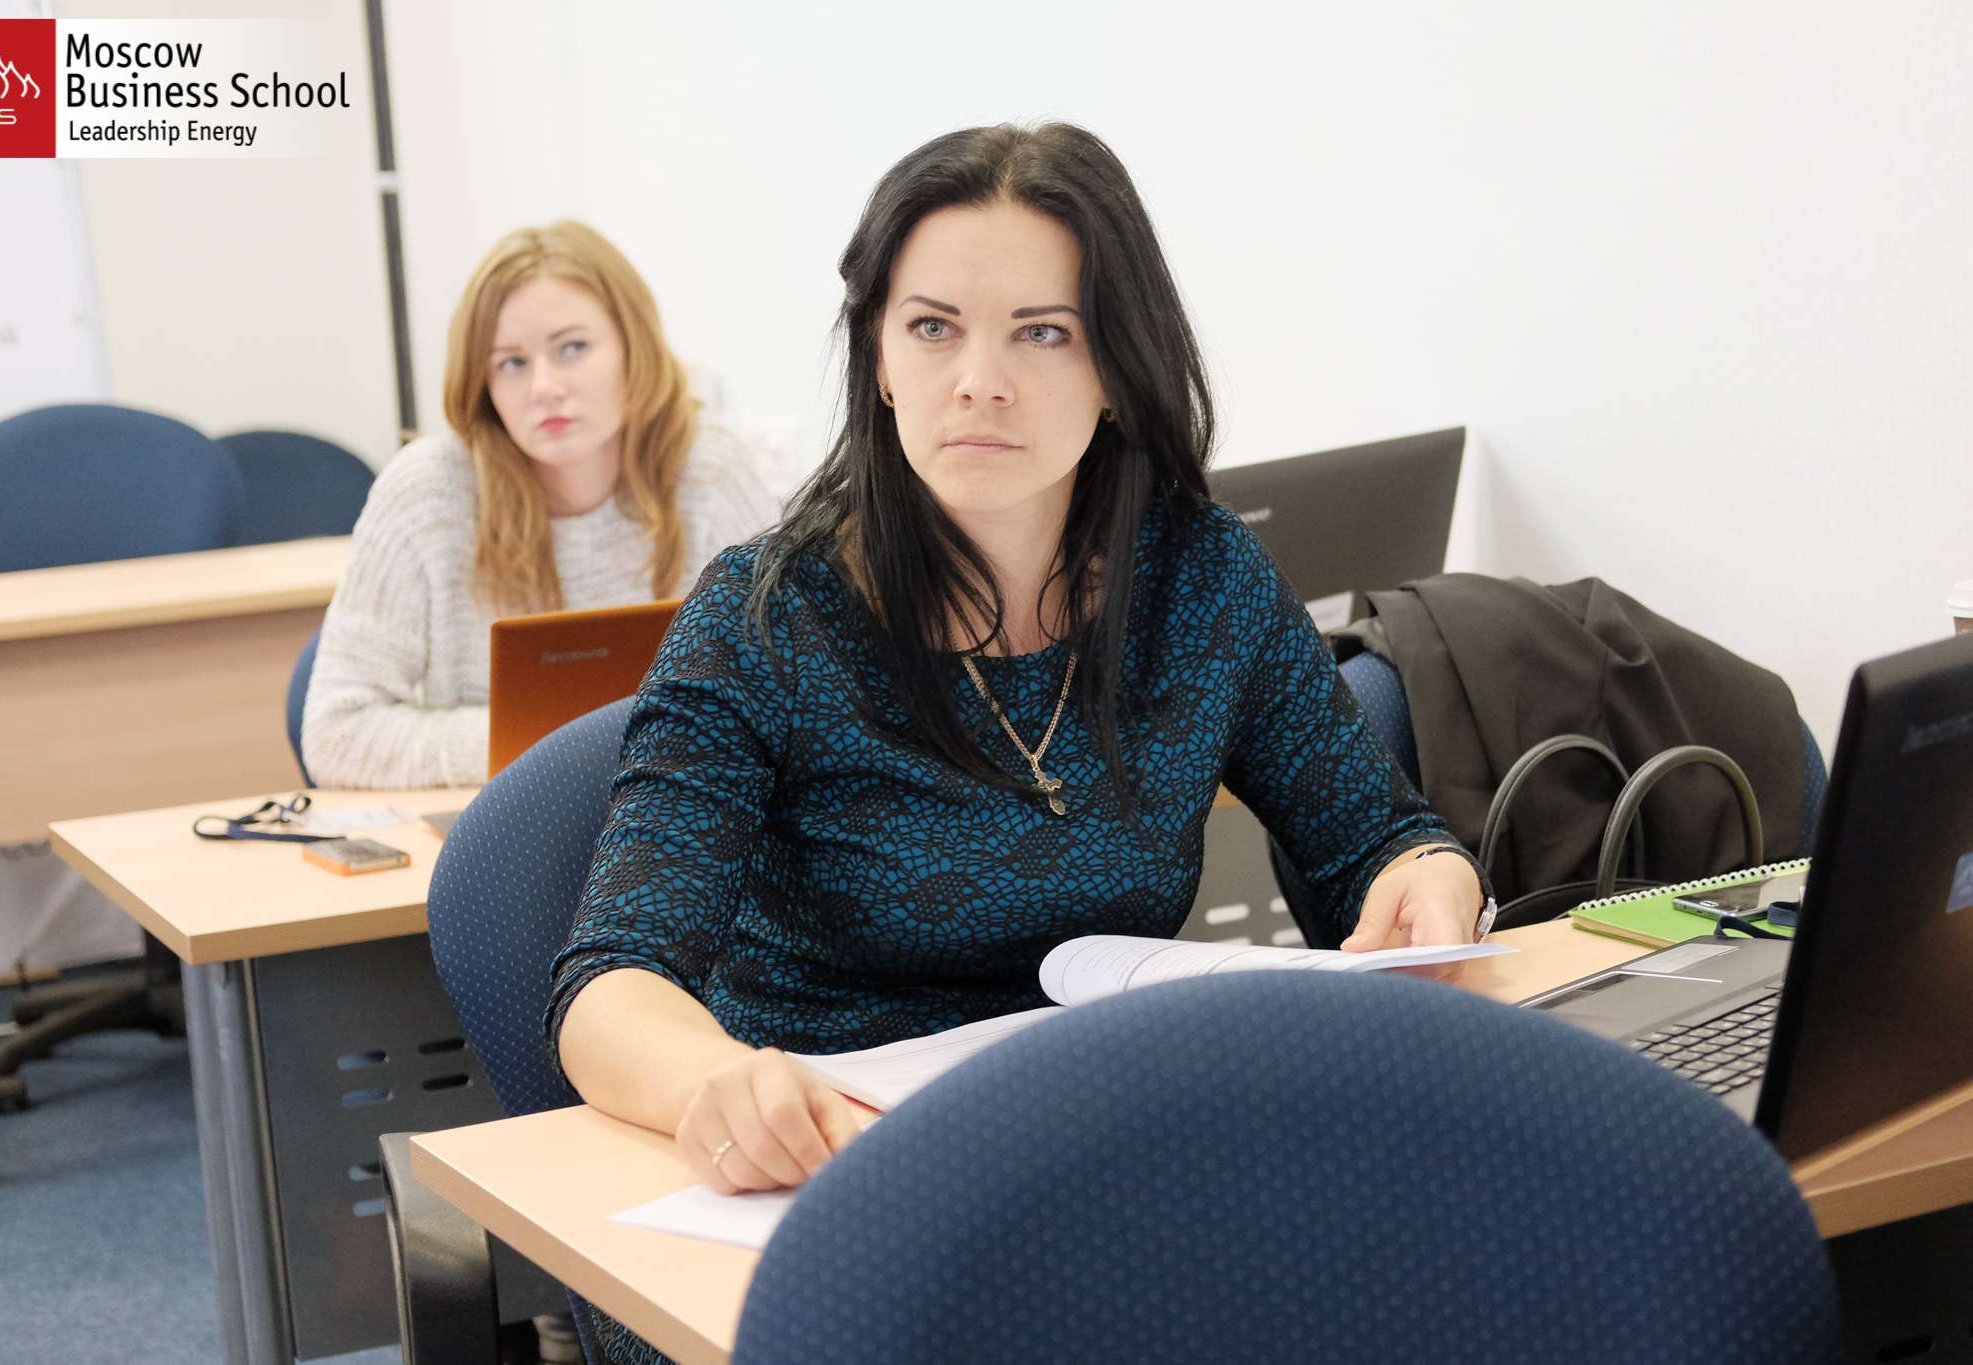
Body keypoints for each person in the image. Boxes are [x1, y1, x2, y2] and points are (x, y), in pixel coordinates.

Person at [547, 122, 1492, 1358]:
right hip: (815, 1185)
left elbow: (1377, 837)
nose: (977, 380)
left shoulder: (1199, 581)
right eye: (932, 327)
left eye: (1040, 333)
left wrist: (1427, 873)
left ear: (1116, 367)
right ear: (880, 359)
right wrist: (710, 1082)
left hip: (1096, 1163)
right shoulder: (766, 618)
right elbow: (607, 987)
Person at [301, 220, 776, 788]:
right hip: (502, 821)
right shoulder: (426, 495)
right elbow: (335, 734)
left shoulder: (712, 472)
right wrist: (542, 746)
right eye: (512, 363)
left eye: (572, 348)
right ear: (482, 382)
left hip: (678, 814)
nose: (544, 386)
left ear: (635, 348)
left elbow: (796, 696)